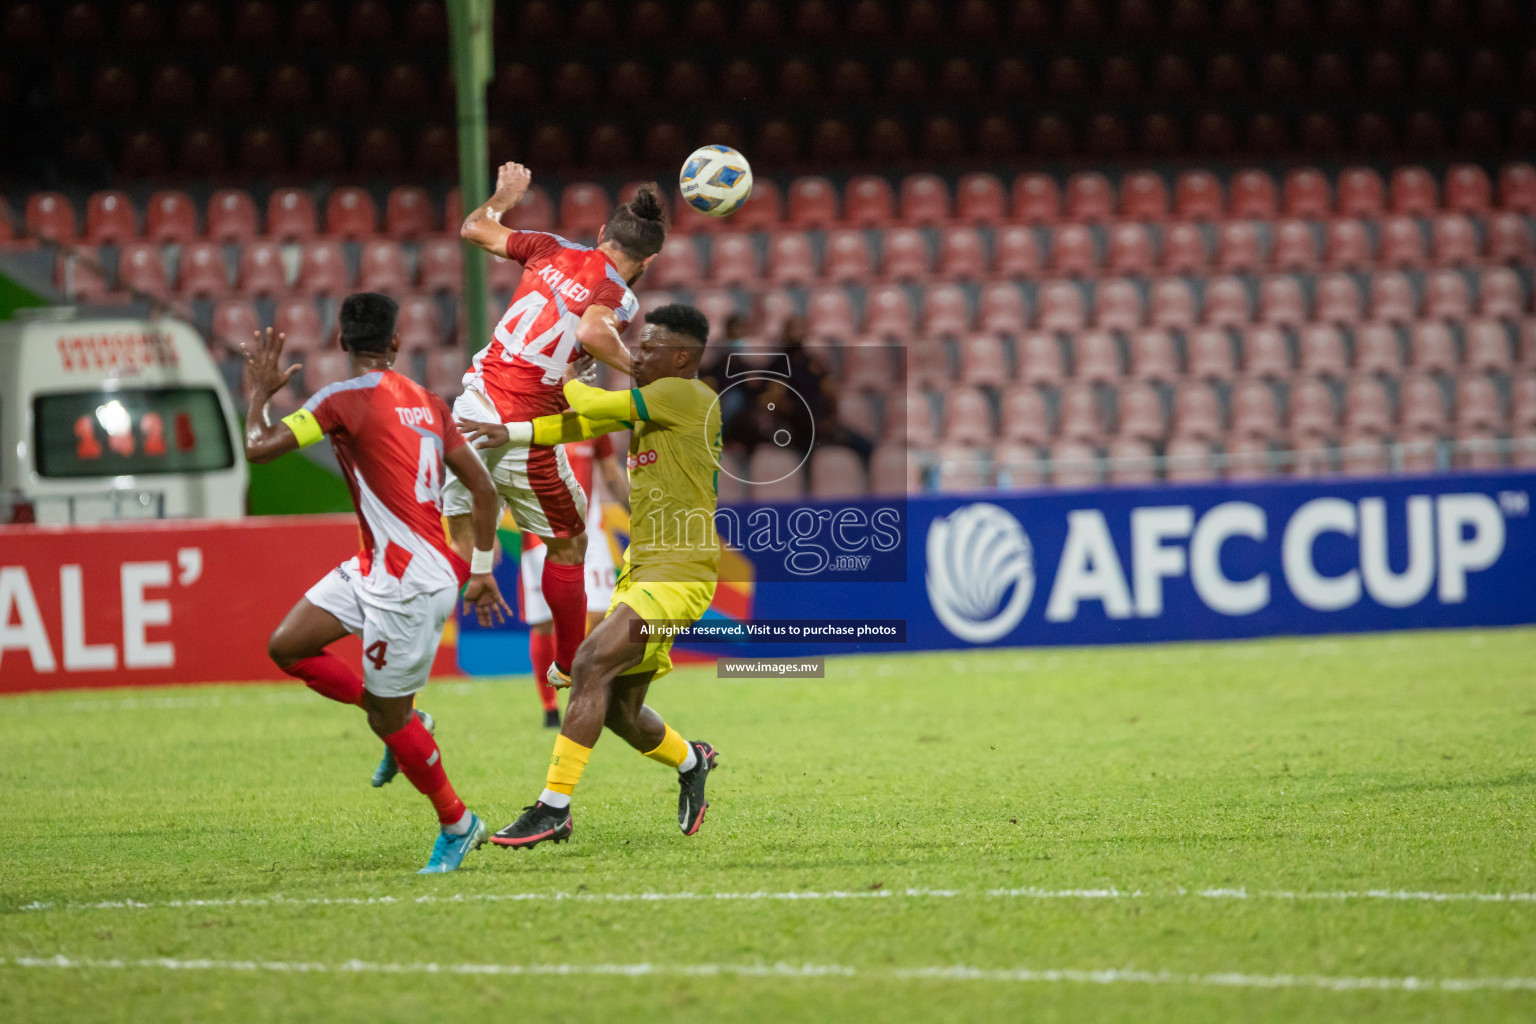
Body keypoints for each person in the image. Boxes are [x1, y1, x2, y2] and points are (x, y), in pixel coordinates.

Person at [242, 293, 512, 874]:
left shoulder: (338, 400)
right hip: (379, 568)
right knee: (288, 646)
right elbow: (485, 491)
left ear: (340, 343)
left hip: (408, 582)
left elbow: (257, 449)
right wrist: (484, 570)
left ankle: (458, 822)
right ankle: (408, 723)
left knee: (388, 720)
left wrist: (260, 393)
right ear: (395, 344)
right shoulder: (430, 404)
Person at [455, 304, 722, 847]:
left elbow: (590, 403)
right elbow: (577, 423)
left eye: (648, 347)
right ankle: (693, 760)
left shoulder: (686, 394)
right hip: (644, 571)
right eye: (636, 344)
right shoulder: (657, 404)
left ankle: (553, 809)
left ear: (682, 356)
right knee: (621, 710)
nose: (635, 354)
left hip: (678, 575)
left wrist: (570, 374)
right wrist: (508, 429)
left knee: (587, 662)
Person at [449, 160, 664, 696]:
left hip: (472, 408)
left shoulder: (549, 246)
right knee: (568, 546)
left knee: (456, 524)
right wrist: (641, 372)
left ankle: (474, 572)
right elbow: (592, 330)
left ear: (599, 235)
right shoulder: (620, 293)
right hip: (524, 424)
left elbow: (474, 227)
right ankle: (570, 665)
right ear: (650, 261)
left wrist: (502, 195)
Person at [521, 433, 629, 728]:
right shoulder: (532, 413)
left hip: (589, 534)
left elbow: (611, 473)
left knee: (599, 616)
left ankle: (592, 695)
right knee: (544, 623)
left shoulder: (592, 418)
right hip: (538, 533)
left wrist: (638, 515)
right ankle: (550, 708)